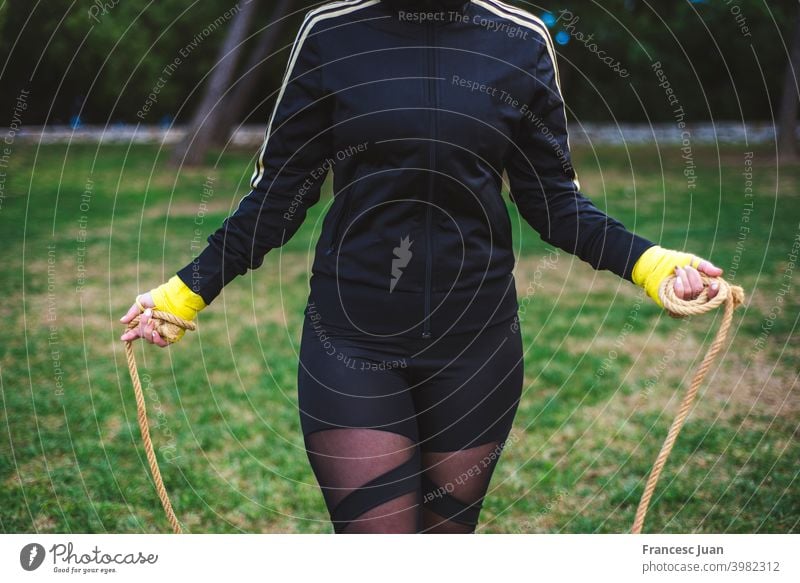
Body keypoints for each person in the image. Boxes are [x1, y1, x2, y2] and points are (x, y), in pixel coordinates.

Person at [120, 0, 723, 534]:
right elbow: (276, 200)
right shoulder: (329, 33)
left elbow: (555, 205)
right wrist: (183, 294)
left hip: (477, 345)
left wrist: (653, 264)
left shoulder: (520, 38)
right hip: (352, 341)